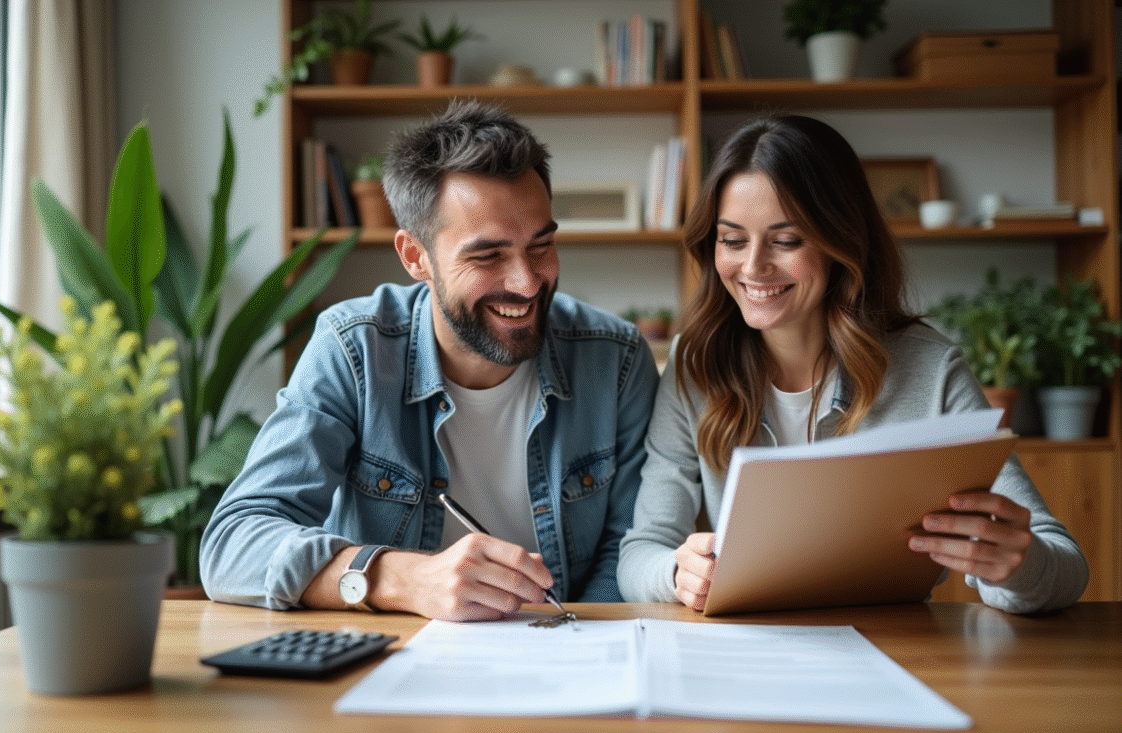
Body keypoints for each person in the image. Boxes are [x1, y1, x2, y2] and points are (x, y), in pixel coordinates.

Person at [201, 99, 659, 621]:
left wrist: (570, 641)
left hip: (568, 657)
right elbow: (232, 545)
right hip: (394, 662)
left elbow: (626, 553)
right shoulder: (354, 351)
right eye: (487, 256)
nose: (527, 282)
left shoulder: (616, 361)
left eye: (540, 246)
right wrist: (399, 579)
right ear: (415, 257)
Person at [616, 114, 1088, 615]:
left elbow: (1065, 564)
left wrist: (1018, 567)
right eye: (732, 240)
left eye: (787, 240)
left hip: (897, 652)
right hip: (749, 655)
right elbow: (639, 555)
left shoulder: (930, 369)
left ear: (840, 240)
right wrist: (675, 572)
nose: (752, 267)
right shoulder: (696, 363)